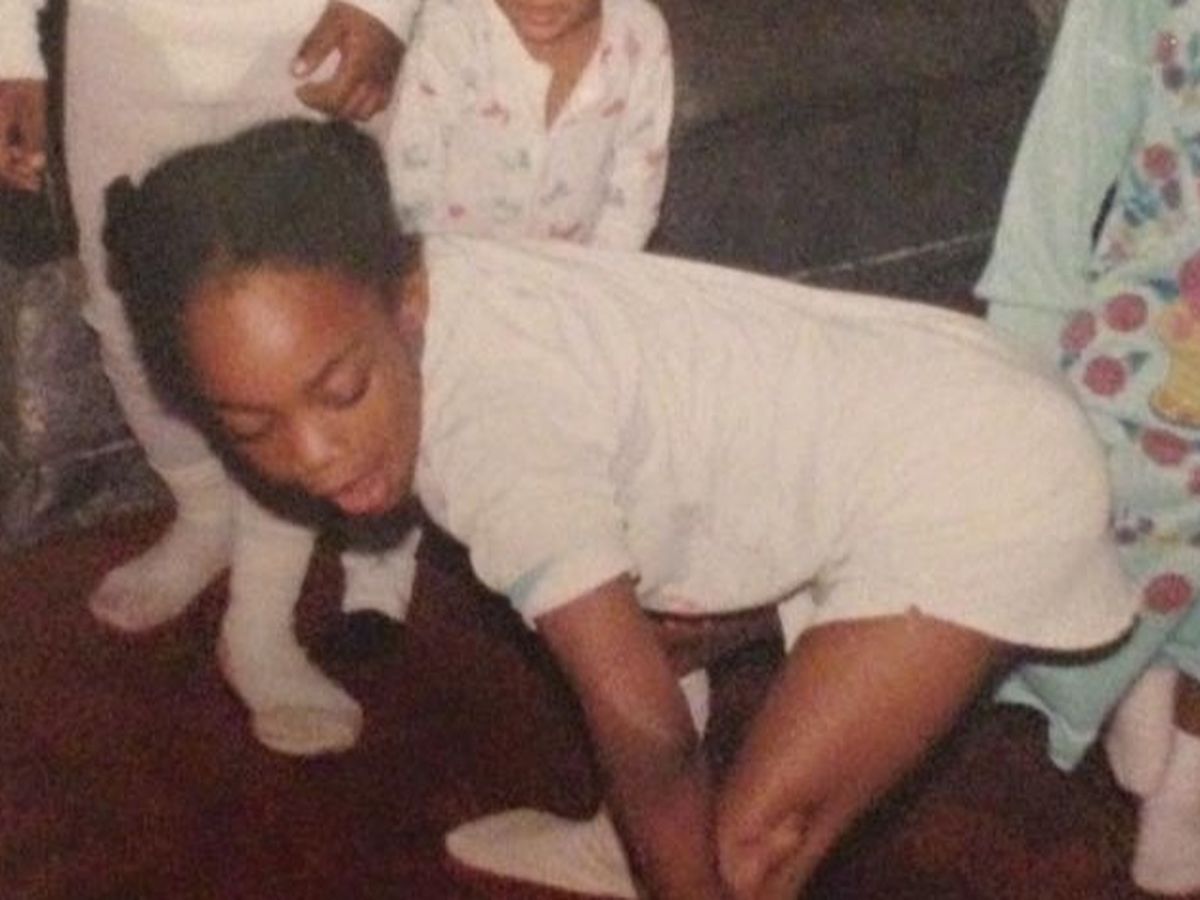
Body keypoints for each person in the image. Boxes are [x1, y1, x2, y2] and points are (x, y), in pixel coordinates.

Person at [104, 116, 1138, 899]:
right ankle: (624, 844)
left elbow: (646, 730)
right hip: (920, 388)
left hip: (984, 471)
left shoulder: (499, 444)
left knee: (745, 851)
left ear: (406, 304)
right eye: (252, 427)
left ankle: (654, 860)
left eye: (340, 391)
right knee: (635, 619)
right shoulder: (427, 285)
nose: (314, 454)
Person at [0, 0, 419, 757]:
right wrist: (10, 52)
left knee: (296, 343)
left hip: (313, 34)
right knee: (129, 315)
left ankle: (261, 617)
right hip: (127, 36)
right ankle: (203, 512)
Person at [976, 0, 1200, 893]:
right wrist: (1021, 352)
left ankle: (1190, 774)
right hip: (1150, 334)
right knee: (1120, 520)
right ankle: (1139, 665)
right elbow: (1064, 160)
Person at [389, 0, 673, 247]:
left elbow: (635, 186)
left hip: (574, 274)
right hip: (448, 265)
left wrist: (598, 276)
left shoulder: (640, 34)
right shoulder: (452, 25)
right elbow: (410, 178)